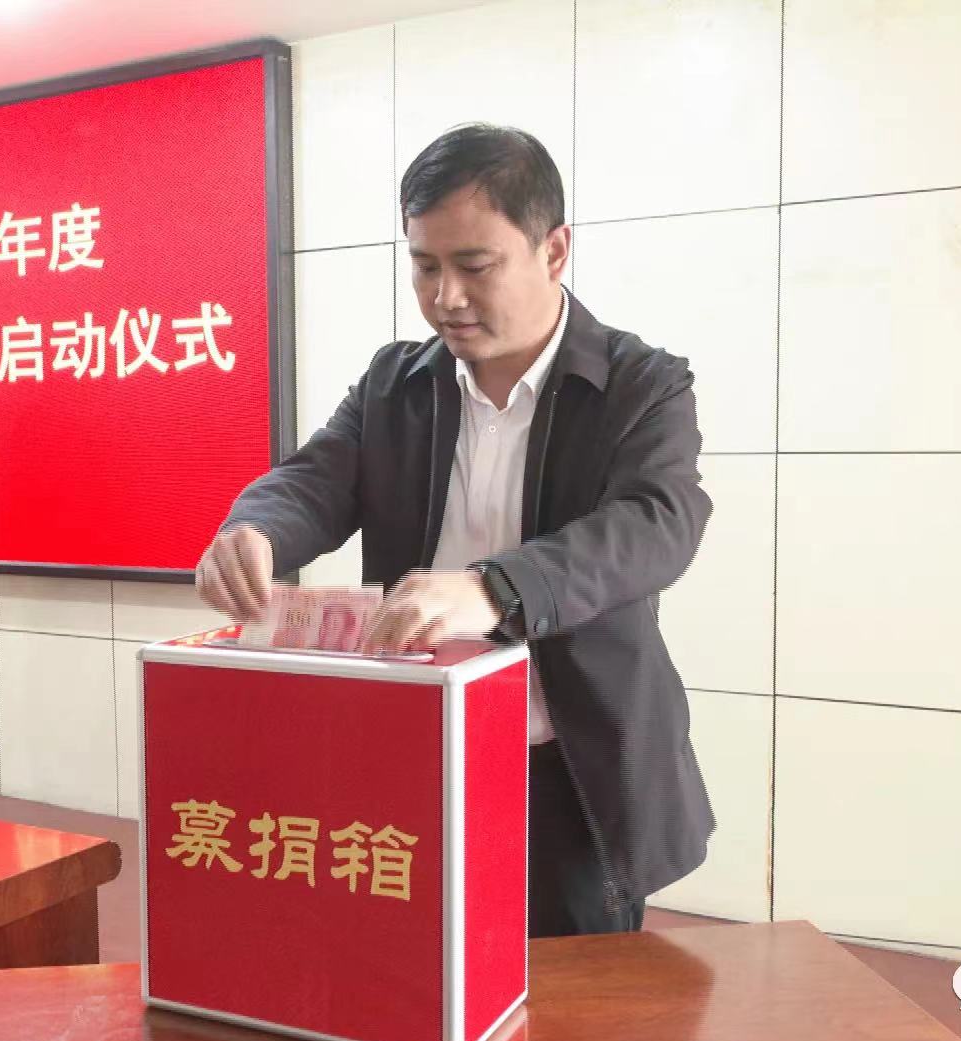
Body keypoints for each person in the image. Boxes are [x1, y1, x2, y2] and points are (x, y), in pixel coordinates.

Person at [196, 124, 714, 937]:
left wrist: (494, 590)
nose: (446, 298)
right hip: (415, 750)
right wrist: (255, 531)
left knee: (573, 1002)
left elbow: (655, 523)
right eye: (425, 266)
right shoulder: (396, 382)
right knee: (402, 969)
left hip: (569, 772)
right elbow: (317, 479)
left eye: (474, 266)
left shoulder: (639, 385)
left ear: (554, 250)